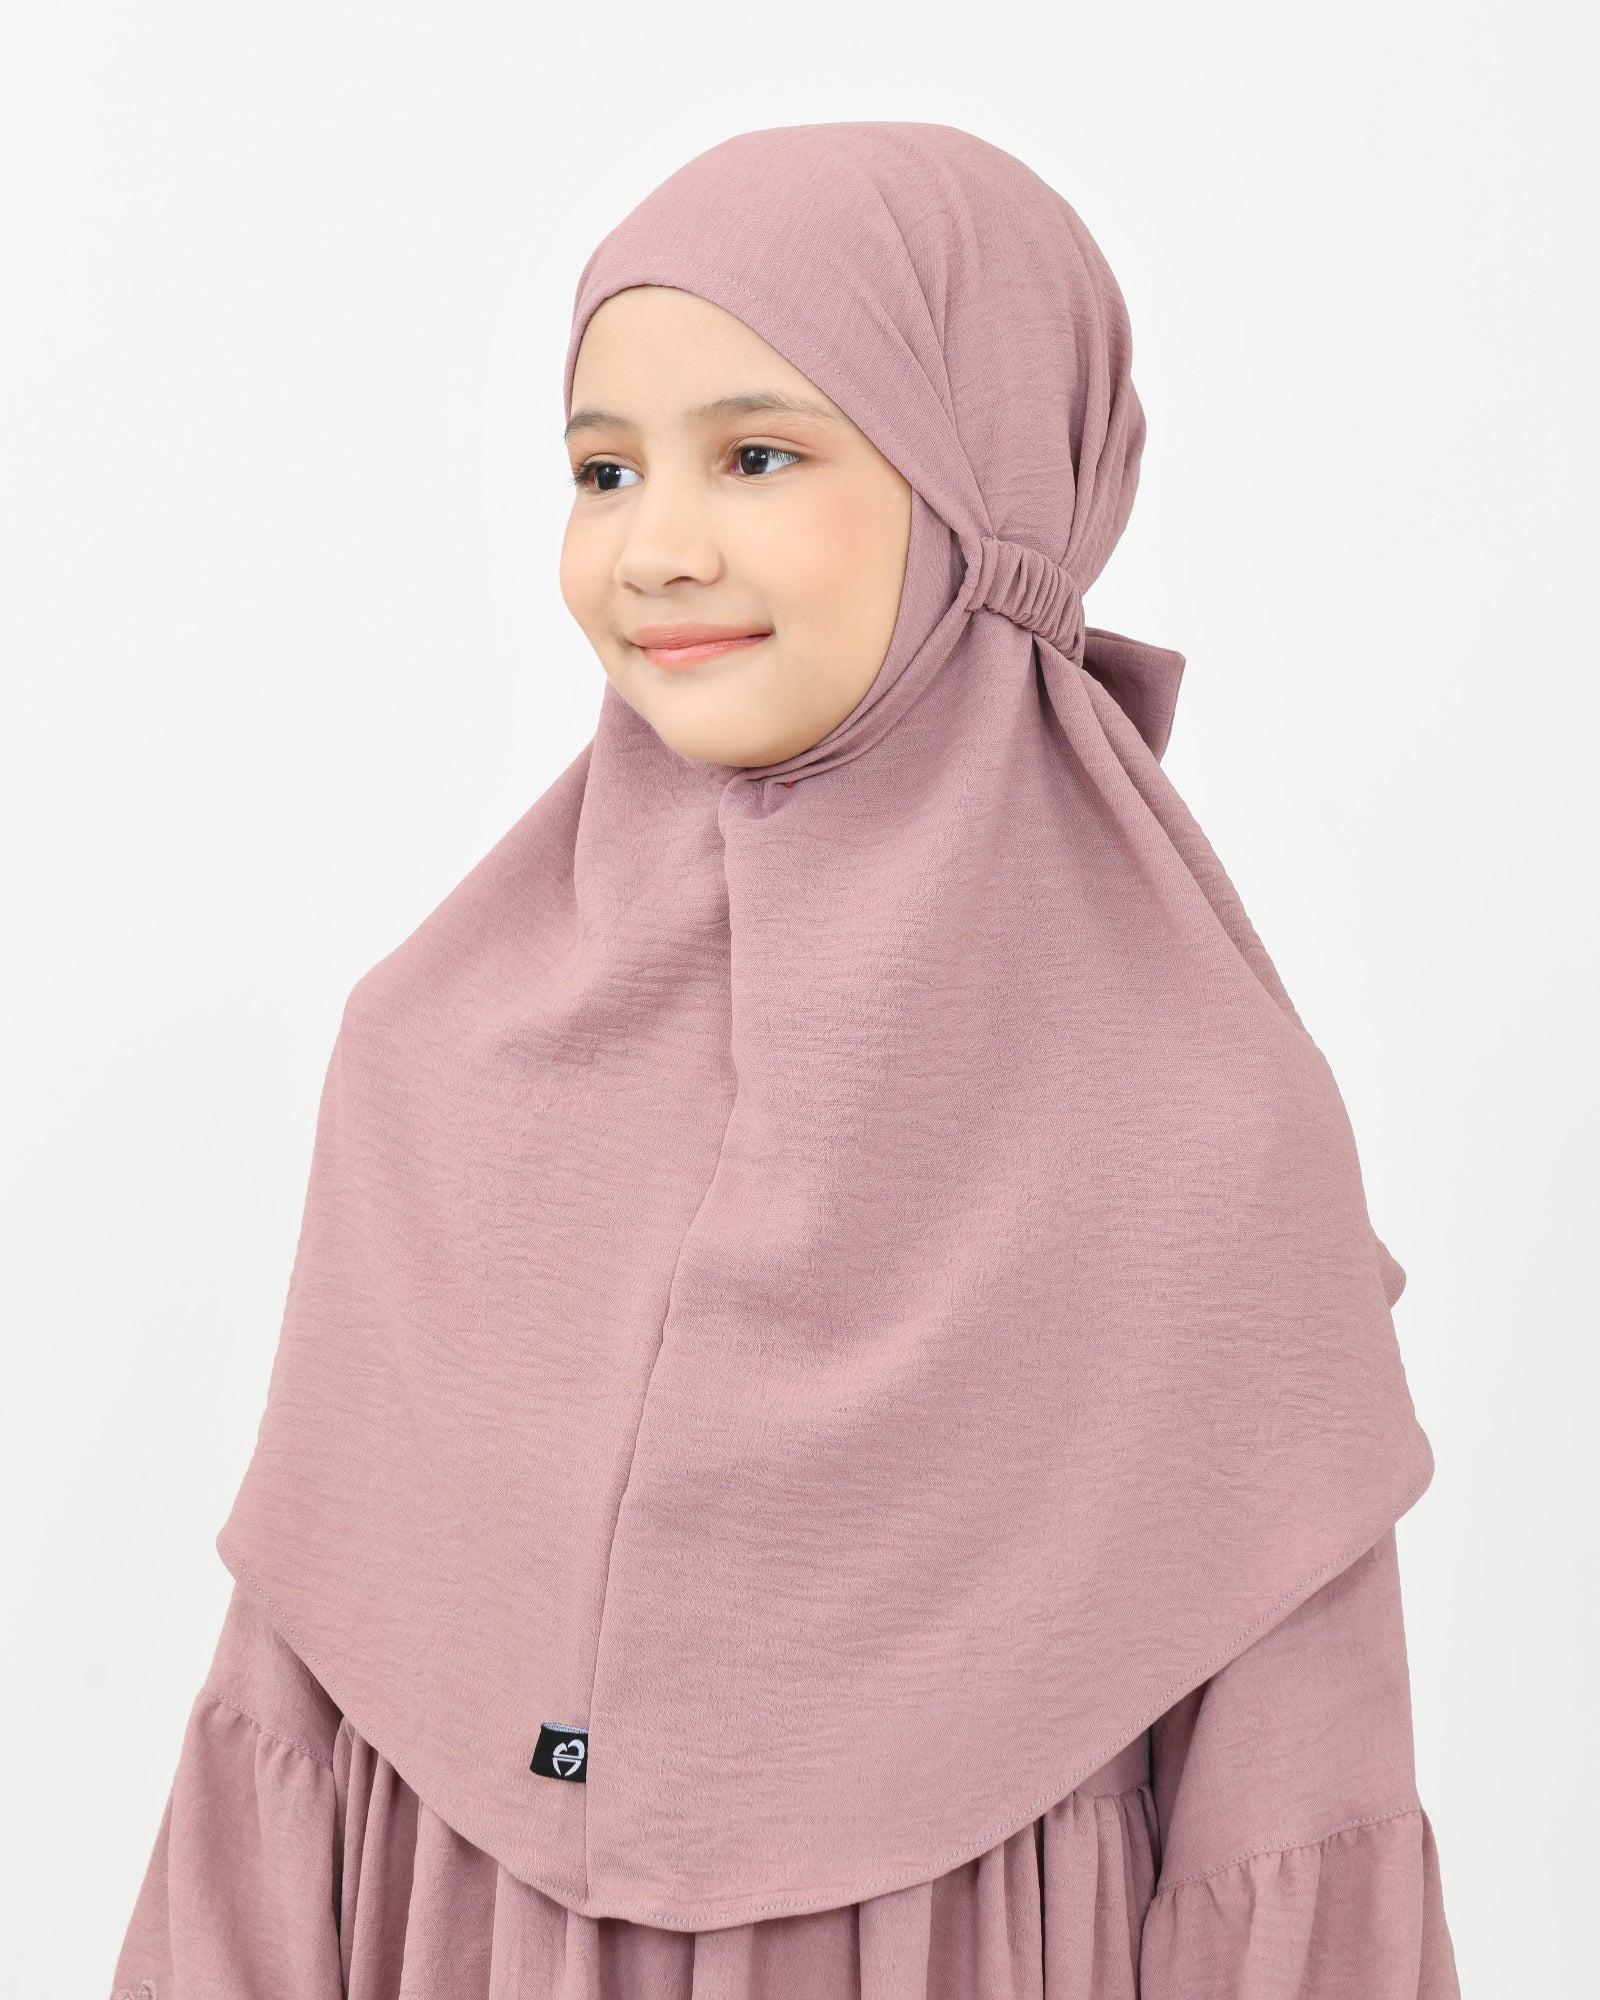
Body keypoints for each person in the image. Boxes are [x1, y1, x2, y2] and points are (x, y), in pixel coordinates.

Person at [110, 121, 1461, 1998]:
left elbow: (1294, 1820)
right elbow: (288, 1728)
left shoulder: (1202, 1134)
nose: (656, 548)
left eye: (758, 454)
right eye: (602, 469)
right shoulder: (433, 1062)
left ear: (989, 490)